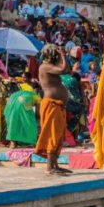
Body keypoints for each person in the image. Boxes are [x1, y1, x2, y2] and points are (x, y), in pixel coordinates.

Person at [35, 45, 70, 174]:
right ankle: (50, 167)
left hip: (58, 105)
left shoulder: (50, 67)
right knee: (52, 135)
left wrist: (63, 56)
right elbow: (63, 70)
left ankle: (55, 165)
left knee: (58, 135)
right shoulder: (44, 67)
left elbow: (66, 70)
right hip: (51, 104)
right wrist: (63, 55)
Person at [3, 77, 39, 146]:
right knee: (29, 122)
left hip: (9, 105)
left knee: (13, 124)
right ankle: (32, 142)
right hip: (24, 101)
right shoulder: (35, 95)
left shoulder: (17, 93)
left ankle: (13, 143)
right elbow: (38, 113)